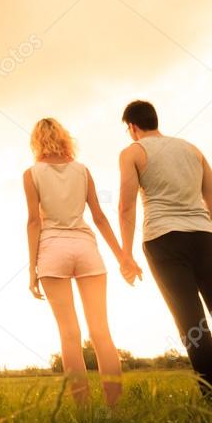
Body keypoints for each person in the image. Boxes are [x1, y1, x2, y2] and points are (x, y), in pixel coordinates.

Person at [116, 100, 212, 409]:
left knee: (193, 325)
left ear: (132, 127)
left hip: (164, 241)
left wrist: (126, 254)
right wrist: (211, 232)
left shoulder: (133, 152)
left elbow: (126, 205)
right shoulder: (192, 149)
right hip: (205, 237)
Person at [23, 118, 140, 407]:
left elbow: (34, 221)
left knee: (70, 335)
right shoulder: (83, 171)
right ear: (64, 138)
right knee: (101, 332)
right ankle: (114, 409)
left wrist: (32, 269)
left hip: (52, 251)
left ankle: (85, 411)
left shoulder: (31, 174)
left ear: (36, 142)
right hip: (86, 249)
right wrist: (123, 256)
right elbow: (99, 216)